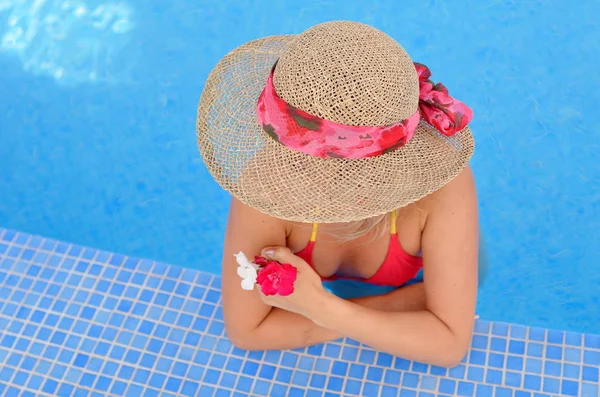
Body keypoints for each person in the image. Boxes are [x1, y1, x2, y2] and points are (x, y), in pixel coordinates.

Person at [196, 21, 480, 367]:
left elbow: (449, 346)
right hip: (417, 284)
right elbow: (248, 332)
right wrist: (406, 304)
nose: (325, 185)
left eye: (337, 171)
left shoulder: (442, 186)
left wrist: (318, 306)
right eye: (312, 167)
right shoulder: (269, 185)